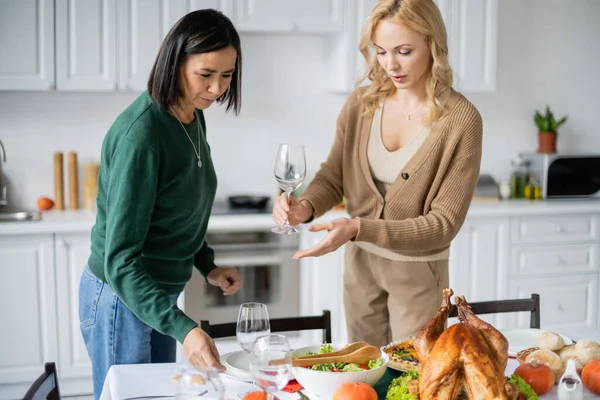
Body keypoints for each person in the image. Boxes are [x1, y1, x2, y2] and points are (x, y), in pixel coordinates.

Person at [272, 0, 483, 348]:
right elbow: (332, 177)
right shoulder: (362, 104)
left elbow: (444, 224)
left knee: (410, 379)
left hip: (417, 273)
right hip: (361, 265)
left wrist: (359, 227)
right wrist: (304, 206)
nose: (390, 64)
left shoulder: (461, 120)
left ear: (433, 45)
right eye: (381, 51)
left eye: (404, 51)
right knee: (363, 371)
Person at [79, 9, 243, 398]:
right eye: (206, 74)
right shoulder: (143, 136)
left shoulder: (191, 114)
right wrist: (186, 329)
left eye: (228, 74)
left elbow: (178, 208)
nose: (217, 88)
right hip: (122, 297)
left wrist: (208, 264)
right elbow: (121, 259)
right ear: (175, 63)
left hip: (157, 295)